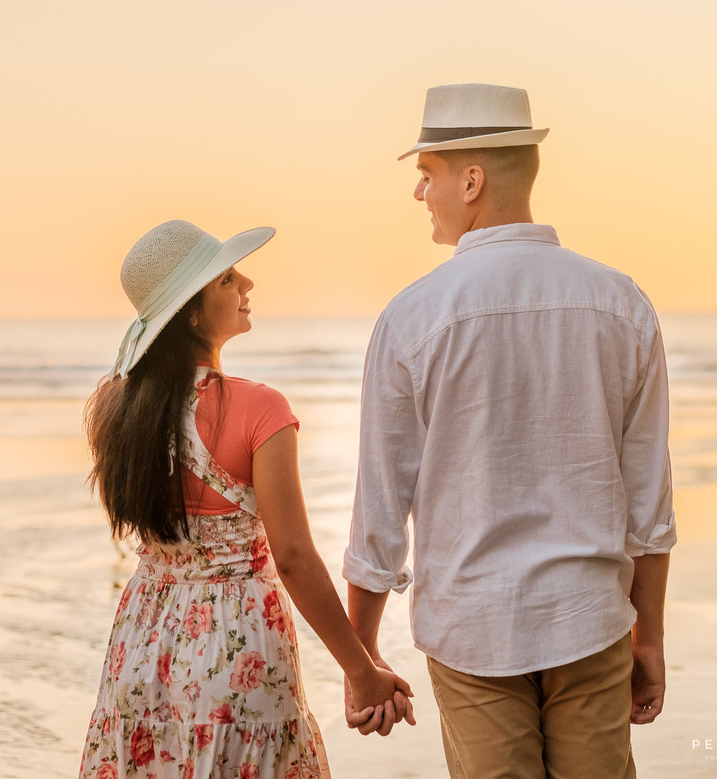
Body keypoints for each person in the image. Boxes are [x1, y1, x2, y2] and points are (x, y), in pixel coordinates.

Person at [342, 84, 677, 778]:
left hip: (474, 630)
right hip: (591, 621)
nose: (418, 193)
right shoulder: (620, 301)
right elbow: (649, 504)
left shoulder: (411, 318)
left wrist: (362, 657)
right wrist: (650, 636)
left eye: (426, 174)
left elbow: (380, 510)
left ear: (472, 180)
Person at [79, 219, 413, 779]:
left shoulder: (119, 412)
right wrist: (362, 671)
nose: (248, 284)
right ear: (190, 312)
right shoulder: (260, 408)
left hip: (143, 643)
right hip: (235, 650)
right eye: (228, 279)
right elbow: (294, 559)